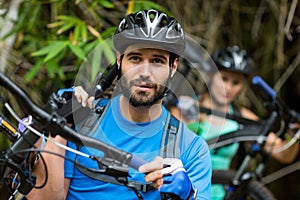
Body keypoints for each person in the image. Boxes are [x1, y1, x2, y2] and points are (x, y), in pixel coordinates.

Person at [26, 9, 211, 200]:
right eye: (135, 58)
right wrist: (59, 130)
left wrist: (189, 196)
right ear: (119, 60)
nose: (145, 72)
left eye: (157, 61)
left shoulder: (192, 149)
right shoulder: (82, 118)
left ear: (173, 67)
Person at [171, 45, 299, 199]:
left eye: (236, 82)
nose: (229, 88)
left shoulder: (242, 116)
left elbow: (284, 154)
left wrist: (294, 133)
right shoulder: (184, 108)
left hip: (220, 195)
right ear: (210, 76)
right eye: (223, 79)